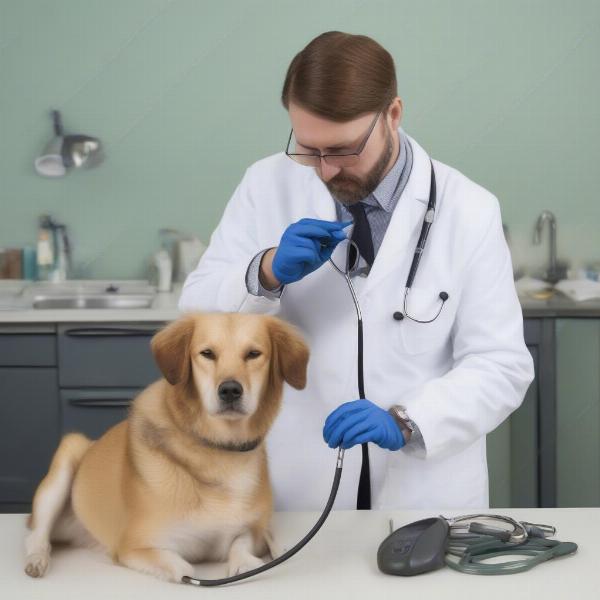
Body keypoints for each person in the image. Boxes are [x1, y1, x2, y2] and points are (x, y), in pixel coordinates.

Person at [178, 31, 535, 511]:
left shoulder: (469, 209)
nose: (324, 170)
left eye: (342, 150)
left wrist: (408, 420)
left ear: (392, 115)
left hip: (424, 491)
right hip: (295, 479)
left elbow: (501, 364)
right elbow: (194, 313)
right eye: (308, 149)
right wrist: (264, 273)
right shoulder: (266, 185)